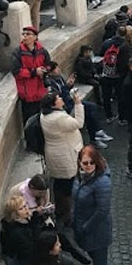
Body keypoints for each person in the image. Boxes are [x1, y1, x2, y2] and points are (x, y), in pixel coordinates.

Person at [73, 145, 114, 265]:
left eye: (91, 162)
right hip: (83, 227)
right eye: (84, 163)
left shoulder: (102, 182)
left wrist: (84, 227)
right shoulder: (79, 177)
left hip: (96, 232)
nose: (88, 165)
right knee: (96, 263)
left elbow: (102, 211)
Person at [41, 87, 86, 224]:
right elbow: (79, 123)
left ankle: (60, 210)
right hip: (65, 155)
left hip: (54, 153)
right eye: (58, 99)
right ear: (53, 104)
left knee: (59, 183)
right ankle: (68, 216)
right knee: (67, 186)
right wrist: (78, 104)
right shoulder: (59, 118)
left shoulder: (45, 115)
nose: (61, 99)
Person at [1, 190, 40, 265]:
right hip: (18, 257)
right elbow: (28, 249)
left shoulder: (22, 220)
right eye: (21, 208)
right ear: (15, 214)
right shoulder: (16, 232)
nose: (26, 209)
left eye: (25, 205)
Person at [11, 24, 49, 122]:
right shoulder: (17, 52)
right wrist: (34, 72)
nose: (25, 36)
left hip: (41, 92)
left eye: (28, 34)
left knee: (42, 120)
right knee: (30, 122)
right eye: (23, 34)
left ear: (35, 37)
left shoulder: (42, 51)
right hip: (27, 94)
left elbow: (48, 65)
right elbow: (16, 71)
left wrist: (44, 70)